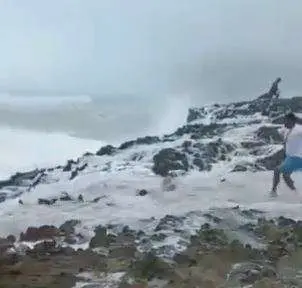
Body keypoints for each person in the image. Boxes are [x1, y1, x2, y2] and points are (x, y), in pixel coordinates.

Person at [270, 112, 302, 196]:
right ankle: (296, 193)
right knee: (285, 175)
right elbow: (278, 132)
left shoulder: (299, 129)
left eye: (286, 121)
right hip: (289, 157)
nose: (284, 123)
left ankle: (273, 192)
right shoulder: (286, 129)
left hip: (297, 157)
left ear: (292, 121)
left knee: (277, 170)